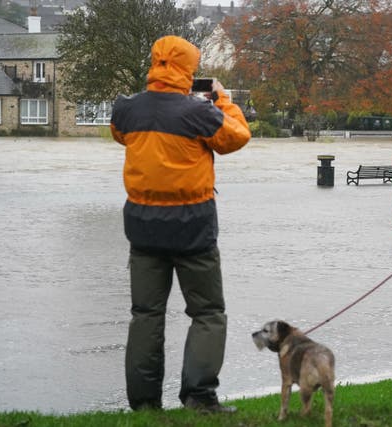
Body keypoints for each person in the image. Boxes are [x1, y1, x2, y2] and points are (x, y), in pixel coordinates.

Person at [110, 35, 251, 413]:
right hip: (193, 229)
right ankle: (199, 398)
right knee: (207, 313)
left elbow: (121, 134)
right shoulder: (199, 113)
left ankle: (144, 405)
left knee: (145, 314)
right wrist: (222, 99)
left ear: (155, 64)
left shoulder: (126, 109)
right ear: (188, 70)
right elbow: (237, 137)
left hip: (142, 227)